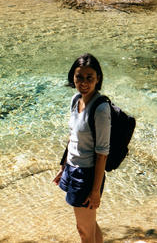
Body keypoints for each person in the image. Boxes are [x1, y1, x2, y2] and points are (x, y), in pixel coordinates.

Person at [53, 53, 111, 243]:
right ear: (73, 77)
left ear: (98, 79)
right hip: (72, 168)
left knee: (83, 230)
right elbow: (73, 137)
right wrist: (64, 167)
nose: (83, 83)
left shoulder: (101, 109)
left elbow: (102, 154)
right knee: (90, 225)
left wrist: (95, 191)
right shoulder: (76, 100)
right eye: (79, 77)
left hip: (86, 175)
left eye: (89, 78)